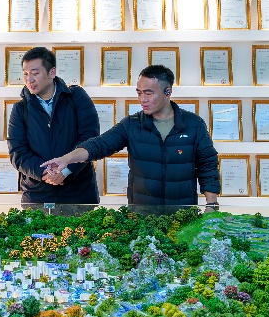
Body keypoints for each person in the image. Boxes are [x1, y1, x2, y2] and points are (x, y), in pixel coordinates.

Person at [41, 65, 220, 212]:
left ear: (168, 92)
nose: (142, 99)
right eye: (139, 93)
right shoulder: (132, 124)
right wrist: (67, 159)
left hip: (183, 215)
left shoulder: (194, 124)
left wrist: (211, 205)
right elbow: (99, 145)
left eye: (148, 93)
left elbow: (208, 165)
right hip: (141, 217)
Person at [7, 46, 102, 211]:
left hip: (78, 192)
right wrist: (46, 173)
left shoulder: (76, 97)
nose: (29, 79)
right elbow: (18, 152)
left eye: (35, 73)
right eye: (25, 74)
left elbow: (89, 138)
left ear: (52, 73)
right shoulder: (20, 109)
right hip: (38, 195)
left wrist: (66, 170)